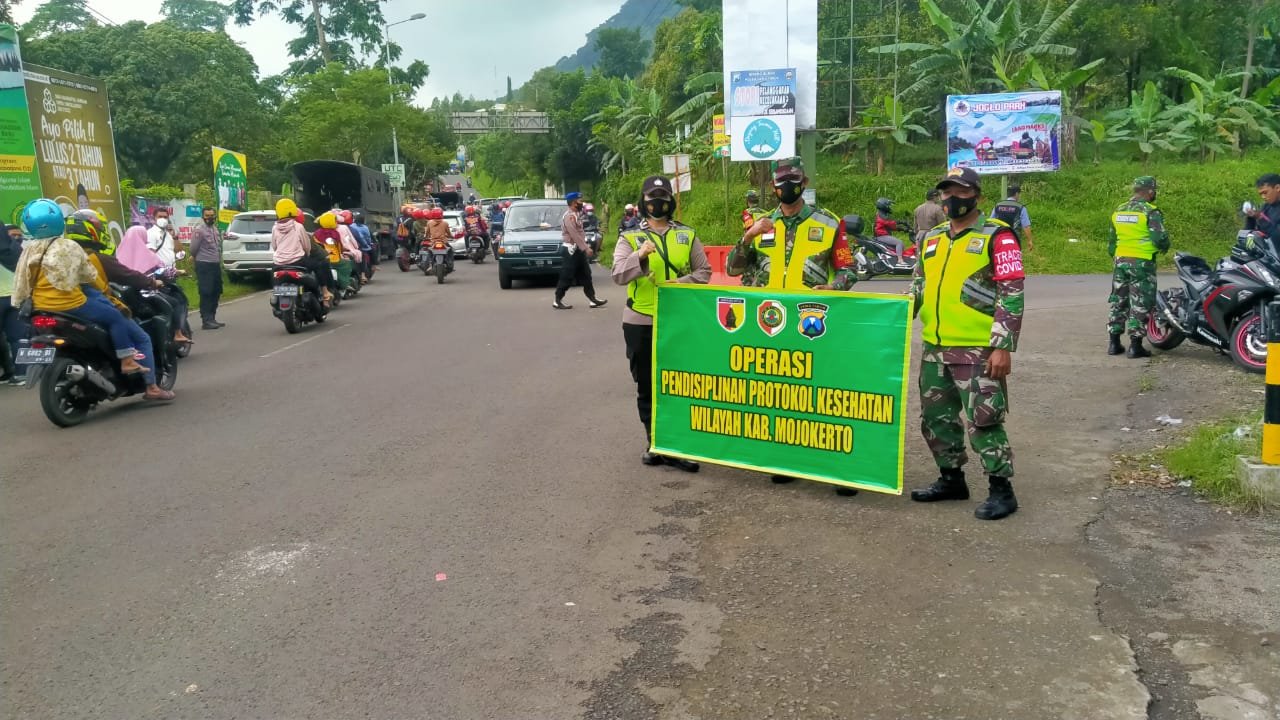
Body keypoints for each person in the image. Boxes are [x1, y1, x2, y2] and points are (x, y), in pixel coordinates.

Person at [909, 166, 1022, 520]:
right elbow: (918, 287)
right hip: (934, 347)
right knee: (936, 418)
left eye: (960, 191)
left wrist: (1003, 345)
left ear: (977, 196)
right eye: (946, 192)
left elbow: (1011, 291)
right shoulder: (932, 238)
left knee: (984, 420)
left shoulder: (998, 236)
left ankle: (1002, 490)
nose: (952, 198)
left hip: (978, 349)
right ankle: (951, 479)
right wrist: (885, 317)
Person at [12, 199, 174, 401]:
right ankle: (128, 362)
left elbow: (21, 280)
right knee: (116, 317)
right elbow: (89, 276)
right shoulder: (69, 247)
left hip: (40, 306)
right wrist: (104, 293)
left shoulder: (29, 249)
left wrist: (21, 302)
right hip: (71, 304)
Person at [612, 175, 710, 472]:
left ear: (671, 200)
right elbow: (618, 274)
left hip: (678, 321)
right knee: (647, 383)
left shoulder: (687, 235)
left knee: (678, 382)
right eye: (652, 197)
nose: (658, 202)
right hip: (641, 320)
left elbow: (704, 271)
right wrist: (639, 257)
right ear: (643, 202)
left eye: (663, 196)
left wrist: (677, 284)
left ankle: (678, 443)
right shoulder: (629, 237)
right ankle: (655, 442)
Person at [727, 158, 858, 292]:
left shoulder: (828, 223)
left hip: (808, 309)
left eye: (793, 178)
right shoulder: (760, 225)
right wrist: (748, 236)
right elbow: (732, 270)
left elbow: (847, 270)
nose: (787, 184)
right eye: (781, 180)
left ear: (804, 182)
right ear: (773, 186)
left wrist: (833, 287)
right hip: (769, 309)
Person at [1107, 176, 1169, 358]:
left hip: (1120, 261)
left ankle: (1114, 343)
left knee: (1119, 300)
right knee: (1140, 302)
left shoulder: (1119, 210)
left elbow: (1111, 242)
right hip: (1142, 262)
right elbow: (1159, 238)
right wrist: (1164, 247)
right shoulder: (1150, 211)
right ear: (1150, 191)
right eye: (1154, 190)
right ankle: (1135, 346)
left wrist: (1119, 256)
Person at [118, 225, 191, 343]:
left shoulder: (118, 256)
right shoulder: (147, 254)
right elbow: (162, 270)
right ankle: (177, 333)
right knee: (175, 303)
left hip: (127, 296)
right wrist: (177, 272)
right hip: (148, 292)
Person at [271, 198, 334, 306]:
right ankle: (324, 292)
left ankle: (277, 295)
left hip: (279, 264)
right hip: (298, 262)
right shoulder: (298, 226)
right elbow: (306, 246)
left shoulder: (274, 228)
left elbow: (274, 246)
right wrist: (307, 254)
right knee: (319, 265)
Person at [553, 192, 606, 310]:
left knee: (586, 275)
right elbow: (574, 234)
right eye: (579, 201)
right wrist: (586, 248)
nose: (581, 203)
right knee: (567, 276)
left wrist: (583, 247)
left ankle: (592, 299)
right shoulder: (569, 216)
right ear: (573, 203)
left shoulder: (577, 214)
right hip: (570, 250)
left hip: (578, 250)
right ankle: (557, 300)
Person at [189, 206, 225, 330]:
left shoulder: (215, 229)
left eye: (212, 215)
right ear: (203, 217)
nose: (210, 218)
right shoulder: (199, 231)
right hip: (204, 264)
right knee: (206, 292)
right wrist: (193, 257)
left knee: (216, 291)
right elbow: (193, 248)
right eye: (207, 216)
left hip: (215, 264)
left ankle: (212, 317)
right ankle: (206, 320)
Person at [0, 223, 25, 384]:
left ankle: (9, 370)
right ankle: (21, 374)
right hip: (15, 296)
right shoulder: (15, 249)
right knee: (17, 338)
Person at [991, 183, 1035, 251]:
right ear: (1017, 194)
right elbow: (1026, 226)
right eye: (1019, 194)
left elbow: (991, 222)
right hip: (1014, 239)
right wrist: (1030, 240)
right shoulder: (1021, 208)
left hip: (999, 238)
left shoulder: (998, 205)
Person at [1245, 173, 1280, 253]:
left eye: (1265, 192)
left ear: (1277, 188)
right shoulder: (1266, 206)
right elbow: (1253, 233)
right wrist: (1251, 218)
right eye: (1261, 194)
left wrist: (1261, 218)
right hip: (1268, 253)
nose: (1263, 197)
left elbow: (1276, 236)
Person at [351, 212, 377, 280]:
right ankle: (373, 266)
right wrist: (368, 244)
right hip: (361, 246)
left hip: (351, 246)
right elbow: (367, 238)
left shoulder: (350, 226)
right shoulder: (364, 227)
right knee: (373, 250)